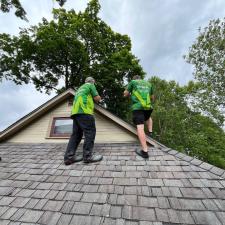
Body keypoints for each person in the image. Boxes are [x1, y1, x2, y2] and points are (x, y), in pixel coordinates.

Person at [64, 77, 103, 165]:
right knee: (90, 132)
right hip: (85, 112)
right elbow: (97, 98)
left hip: (75, 113)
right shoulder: (90, 86)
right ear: (93, 82)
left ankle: (68, 158)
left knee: (76, 135)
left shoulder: (79, 89)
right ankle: (88, 156)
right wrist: (99, 98)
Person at [124, 75, 154, 159]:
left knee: (140, 127)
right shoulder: (148, 83)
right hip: (148, 107)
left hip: (138, 107)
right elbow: (152, 97)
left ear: (134, 79)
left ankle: (145, 152)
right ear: (140, 78)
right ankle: (150, 131)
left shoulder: (133, 82)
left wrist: (129, 94)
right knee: (148, 117)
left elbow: (125, 94)